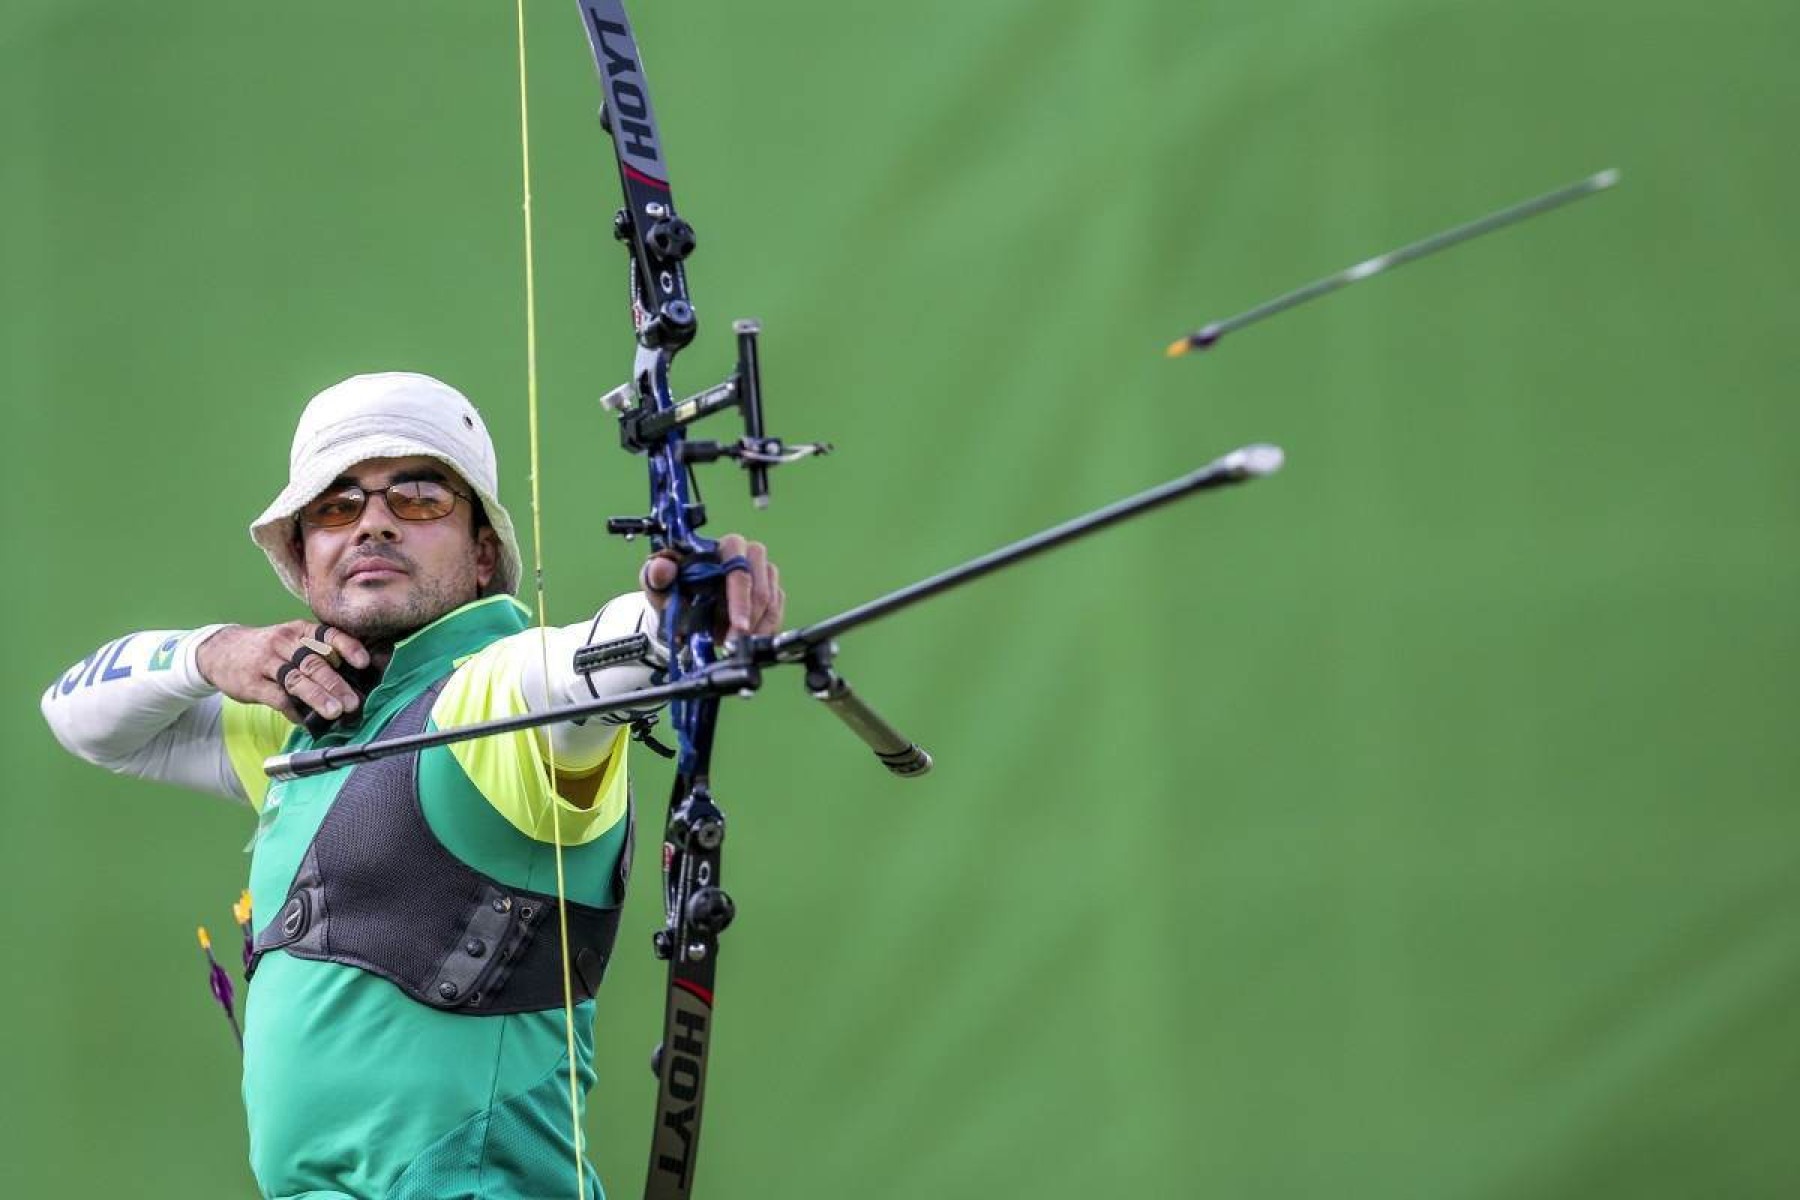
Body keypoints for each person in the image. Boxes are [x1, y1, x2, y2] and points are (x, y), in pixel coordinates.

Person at [40, 371, 784, 1200]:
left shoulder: (494, 698)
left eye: (420, 495)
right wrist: (214, 651)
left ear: (482, 556)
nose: (374, 523)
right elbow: (82, 720)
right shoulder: (308, 715)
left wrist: (671, 620)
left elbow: (574, 673)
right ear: (304, 556)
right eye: (336, 506)